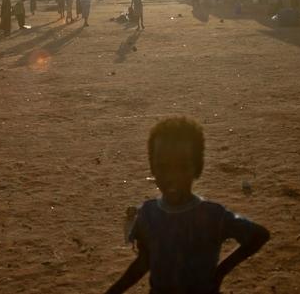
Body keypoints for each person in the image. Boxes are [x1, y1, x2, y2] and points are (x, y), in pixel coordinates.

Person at [106, 117, 270, 294]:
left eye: (183, 167)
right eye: (163, 167)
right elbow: (145, 261)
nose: (172, 177)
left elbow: (259, 235)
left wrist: (220, 272)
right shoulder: (148, 214)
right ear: (152, 168)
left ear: (197, 168)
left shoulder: (212, 215)